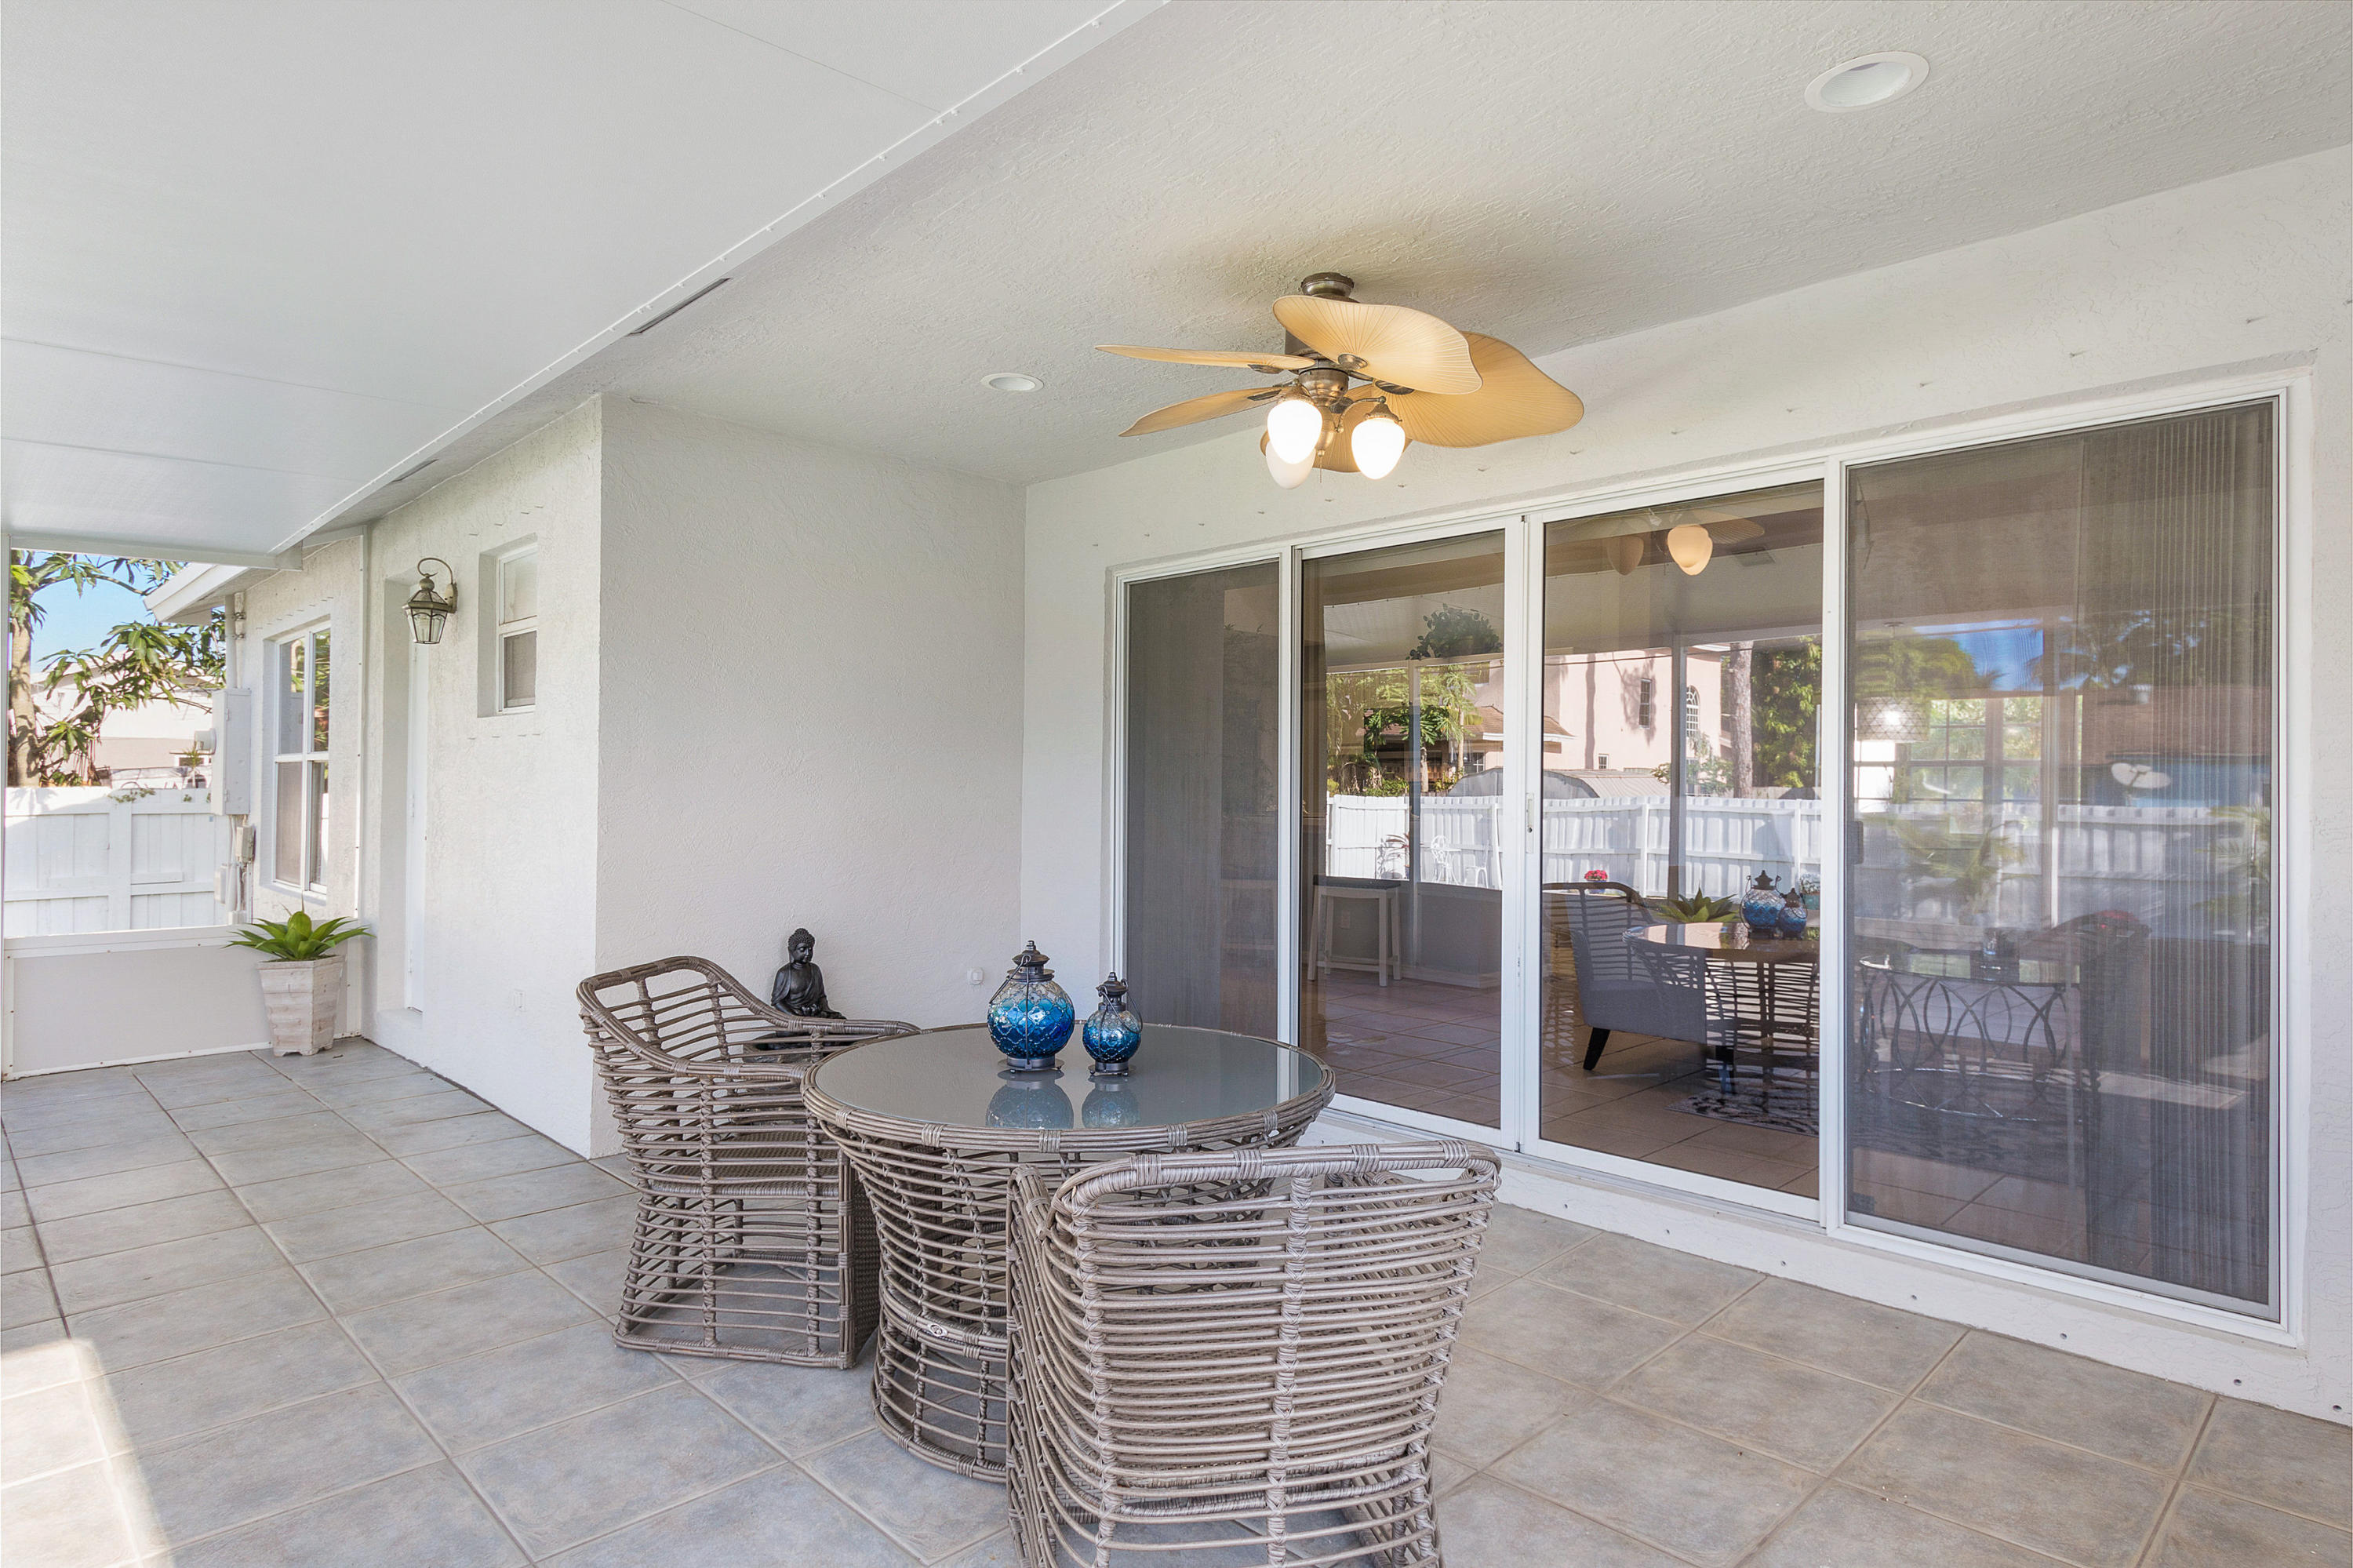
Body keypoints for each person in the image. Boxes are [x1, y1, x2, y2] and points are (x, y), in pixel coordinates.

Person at [769, 927, 842, 1019]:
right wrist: (795, 1017)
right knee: (789, 1032)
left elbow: (821, 997)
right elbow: (777, 1002)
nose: (808, 953)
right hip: (793, 1019)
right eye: (802, 949)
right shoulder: (784, 973)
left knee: (839, 1020)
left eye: (810, 949)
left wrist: (820, 1009)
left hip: (814, 1015)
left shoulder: (815, 969)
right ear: (792, 951)